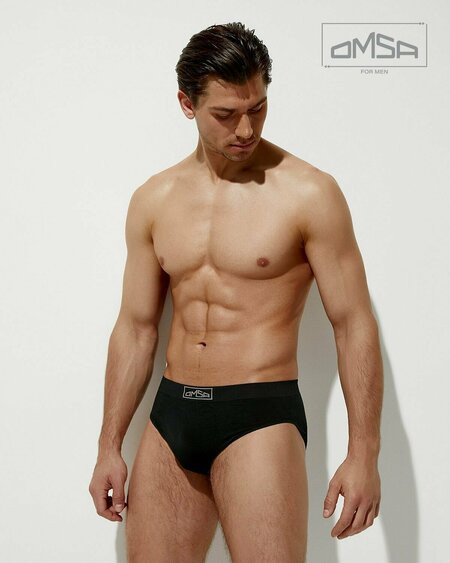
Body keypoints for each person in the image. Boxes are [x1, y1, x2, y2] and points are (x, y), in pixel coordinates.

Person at [88, 21, 383, 562]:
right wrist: (108, 445)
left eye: (258, 108)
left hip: (258, 415)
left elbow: (353, 322)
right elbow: (136, 328)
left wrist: (364, 451)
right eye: (226, 114)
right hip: (172, 415)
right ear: (187, 104)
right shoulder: (154, 199)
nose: (246, 128)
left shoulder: (308, 193)